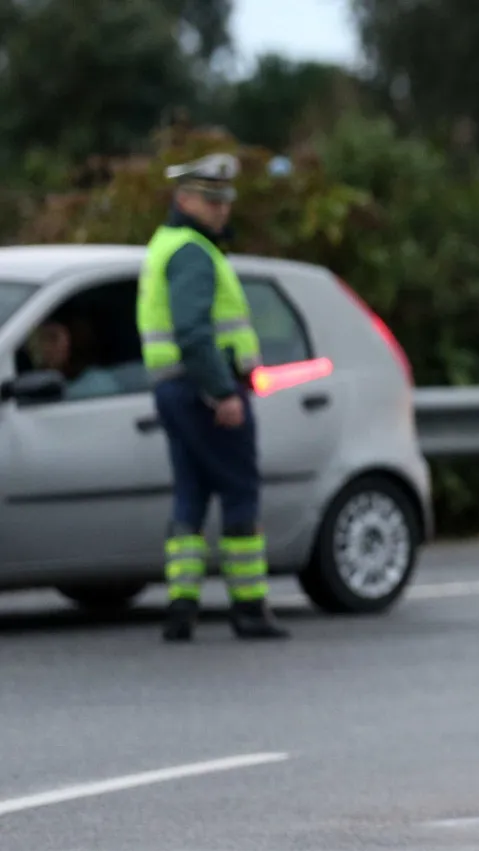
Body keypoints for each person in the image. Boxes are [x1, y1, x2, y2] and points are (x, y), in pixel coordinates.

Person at [137, 152, 288, 642]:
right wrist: (223, 392)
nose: (222, 209)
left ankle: (182, 605)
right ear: (184, 199)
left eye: (225, 200)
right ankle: (249, 608)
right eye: (211, 200)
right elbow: (194, 332)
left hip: (174, 390)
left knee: (191, 495)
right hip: (204, 388)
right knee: (240, 490)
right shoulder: (193, 254)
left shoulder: (167, 245)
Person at [26, 319, 120, 400]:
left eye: (52, 338)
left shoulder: (98, 384)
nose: (46, 347)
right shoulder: (27, 386)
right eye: (42, 339)